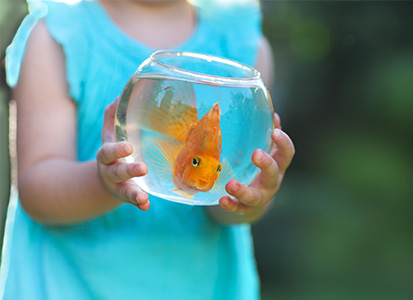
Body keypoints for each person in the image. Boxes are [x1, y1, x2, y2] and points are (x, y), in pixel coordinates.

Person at [0, 0, 295, 299]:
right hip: (67, 286)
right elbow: (36, 189)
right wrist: (104, 182)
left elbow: (223, 202)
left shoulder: (243, 47)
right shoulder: (57, 37)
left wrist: (249, 196)